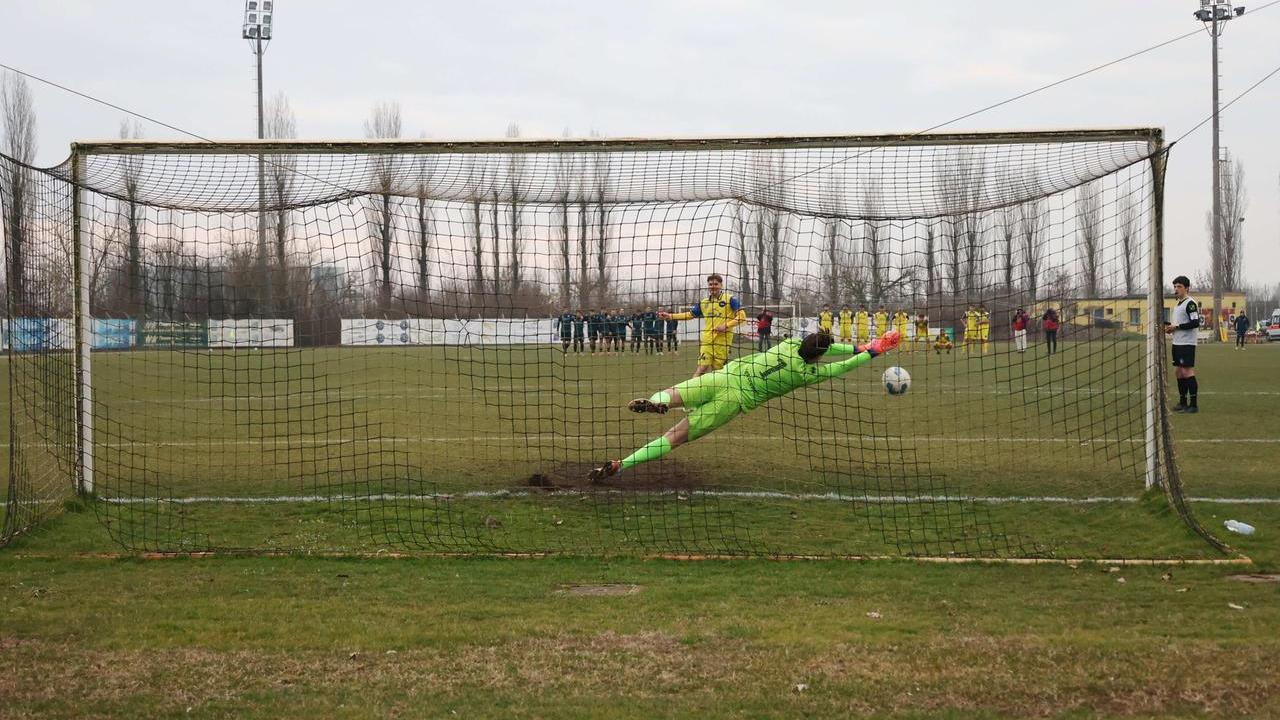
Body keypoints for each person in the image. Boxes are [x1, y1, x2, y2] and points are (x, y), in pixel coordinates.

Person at [589, 330, 902, 481]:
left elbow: (824, 345)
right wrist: (871, 350)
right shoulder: (808, 372)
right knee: (675, 437)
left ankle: (656, 402)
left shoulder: (789, 343)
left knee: (672, 393)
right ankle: (621, 465)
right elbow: (842, 365)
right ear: (819, 355)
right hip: (735, 400)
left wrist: (864, 346)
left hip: (723, 378)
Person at [659, 273, 746, 377]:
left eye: (715, 284)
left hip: (723, 342)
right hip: (707, 341)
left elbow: (742, 317)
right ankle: (690, 391)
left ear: (721, 285)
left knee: (718, 372)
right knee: (702, 368)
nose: (712, 286)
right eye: (710, 284)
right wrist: (671, 316)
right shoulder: (704, 303)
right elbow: (690, 314)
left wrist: (725, 325)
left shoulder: (730, 299)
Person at [1165, 275, 1201, 413]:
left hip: (1187, 343)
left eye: (1179, 286)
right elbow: (1178, 325)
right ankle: (1182, 402)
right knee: (1178, 372)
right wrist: (1169, 327)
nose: (1176, 289)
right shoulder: (1178, 304)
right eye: (1175, 286)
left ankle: (1193, 405)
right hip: (1177, 343)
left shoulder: (1190, 303)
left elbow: (1194, 323)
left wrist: (1176, 327)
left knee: (1187, 371)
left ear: (1186, 288)